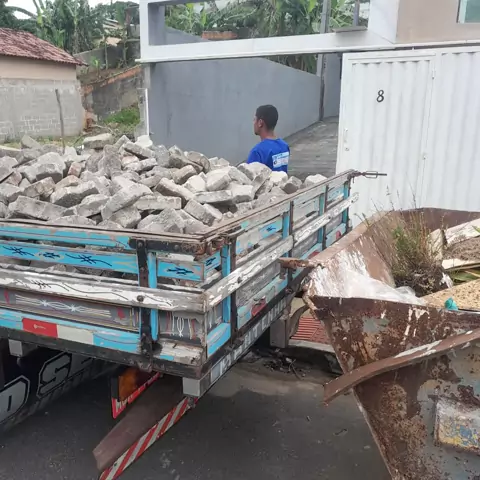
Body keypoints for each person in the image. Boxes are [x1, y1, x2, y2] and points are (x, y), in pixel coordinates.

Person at [247, 105, 290, 173]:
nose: (253, 123)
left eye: (254, 119)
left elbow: (249, 176)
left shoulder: (257, 152)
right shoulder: (284, 146)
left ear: (260, 123)